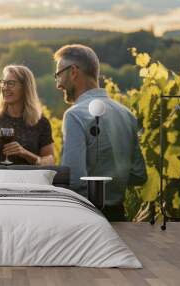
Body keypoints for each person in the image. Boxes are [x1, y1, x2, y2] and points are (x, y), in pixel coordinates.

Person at [54, 44, 147, 221]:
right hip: (119, 217)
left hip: (87, 218)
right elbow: (138, 176)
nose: (58, 84)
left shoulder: (75, 115)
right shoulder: (127, 114)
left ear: (73, 71)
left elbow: (74, 181)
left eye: (59, 75)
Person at [0, 65, 55, 165]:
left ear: (25, 88)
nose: (5, 88)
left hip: (28, 179)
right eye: (4, 83)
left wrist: (25, 153)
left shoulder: (41, 122)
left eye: (11, 83)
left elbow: (50, 162)